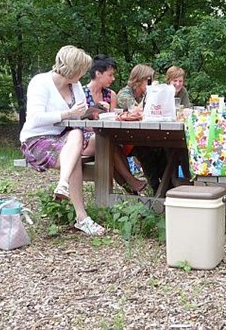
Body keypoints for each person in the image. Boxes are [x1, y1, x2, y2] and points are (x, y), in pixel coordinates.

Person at [19, 45, 105, 236]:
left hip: (66, 136)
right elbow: (34, 118)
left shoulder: (75, 87)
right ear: (74, 68)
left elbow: (78, 118)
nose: (84, 74)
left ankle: (63, 184)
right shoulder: (40, 82)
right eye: (82, 69)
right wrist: (68, 113)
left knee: (82, 136)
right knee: (73, 156)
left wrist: (91, 114)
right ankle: (82, 218)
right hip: (37, 138)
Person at [83, 55, 147, 195]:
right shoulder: (82, 93)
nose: (113, 79)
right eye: (110, 75)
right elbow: (79, 122)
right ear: (98, 74)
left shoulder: (110, 94)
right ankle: (132, 182)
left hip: (105, 136)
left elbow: (113, 121)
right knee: (107, 140)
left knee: (109, 142)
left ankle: (132, 191)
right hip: (84, 139)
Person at [117, 64, 168, 191]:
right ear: (139, 80)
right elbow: (136, 112)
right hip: (127, 138)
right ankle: (157, 188)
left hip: (144, 136)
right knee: (147, 150)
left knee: (164, 148)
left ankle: (167, 186)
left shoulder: (143, 94)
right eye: (148, 80)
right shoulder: (124, 94)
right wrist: (150, 95)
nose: (149, 84)